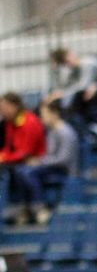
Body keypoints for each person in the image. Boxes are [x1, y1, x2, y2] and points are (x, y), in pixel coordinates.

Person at [10, 99, 79, 225]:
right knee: (19, 170)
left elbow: (63, 160)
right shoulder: (51, 131)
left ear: (55, 113)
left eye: (44, 114)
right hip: (50, 167)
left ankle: (40, 208)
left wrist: (40, 162)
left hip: (63, 171)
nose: (41, 118)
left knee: (28, 172)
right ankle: (26, 209)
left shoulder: (66, 132)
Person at [0, 92, 46, 226]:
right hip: (17, 161)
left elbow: (26, 152)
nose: (2, 111)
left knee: (22, 172)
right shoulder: (9, 123)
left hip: (38, 161)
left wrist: (4, 158)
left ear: (15, 106)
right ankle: (19, 210)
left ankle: (38, 209)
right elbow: (9, 147)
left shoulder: (30, 121)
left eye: (4, 107)